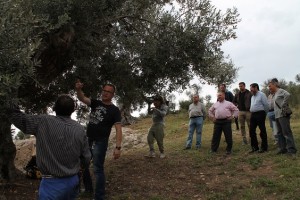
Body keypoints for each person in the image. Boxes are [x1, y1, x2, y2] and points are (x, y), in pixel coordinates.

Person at [8, 95, 91, 200]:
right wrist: (80, 170)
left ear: (54, 108)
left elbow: (17, 117)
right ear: (73, 110)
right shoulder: (80, 129)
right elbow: (87, 157)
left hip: (51, 185)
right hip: (73, 181)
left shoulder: (43, 121)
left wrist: (10, 97)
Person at [75, 80, 122, 200]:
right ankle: (88, 189)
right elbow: (82, 98)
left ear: (112, 95)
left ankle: (99, 196)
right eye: (104, 90)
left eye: (108, 92)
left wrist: (118, 147)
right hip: (88, 139)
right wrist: (79, 89)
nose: (105, 93)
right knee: (83, 165)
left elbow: (118, 129)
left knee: (97, 169)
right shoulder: (95, 103)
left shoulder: (114, 110)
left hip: (101, 142)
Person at [268, 79, 297, 155]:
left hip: (283, 115)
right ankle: (282, 148)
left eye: (270, 86)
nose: (269, 87)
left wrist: (284, 104)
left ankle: (291, 150)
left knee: (286, 132)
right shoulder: (274, 94)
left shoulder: (280, 91)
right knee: (279, 133)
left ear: (275, 85)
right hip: (277, 115)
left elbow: (288, 95)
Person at [249, 83, 269, 153]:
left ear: (256, 88)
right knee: (251, 130)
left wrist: (264, 114)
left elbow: (266, 105)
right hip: (253, 114)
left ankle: (264, 147)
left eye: (251, 88)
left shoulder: (262, 94)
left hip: (260, 114)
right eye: (250, 88)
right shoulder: (252, 97)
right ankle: (255, 147)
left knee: (262, 130)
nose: (250, 90)